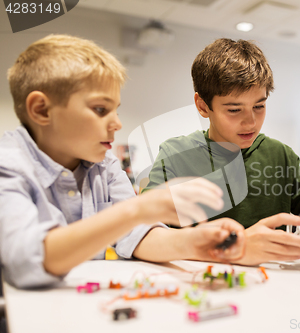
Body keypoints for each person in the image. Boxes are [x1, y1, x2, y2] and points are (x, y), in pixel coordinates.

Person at [0, 34, 245, 289]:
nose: (117, 123)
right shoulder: (8, 165)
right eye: (100, 110)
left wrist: (196, 241)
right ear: (41, 110)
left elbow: (137, 234)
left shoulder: (103, 164)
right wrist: (136, 209)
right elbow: (26, 262)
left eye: (116, 110)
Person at [143, 38, 300, 265]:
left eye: (259, 106)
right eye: (234, 110)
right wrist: (233, 246)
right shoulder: (175, 156)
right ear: (203, 106)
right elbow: (141, 236)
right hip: (201, 285)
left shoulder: (280, 156)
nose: (250, 122)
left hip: (273, 286)